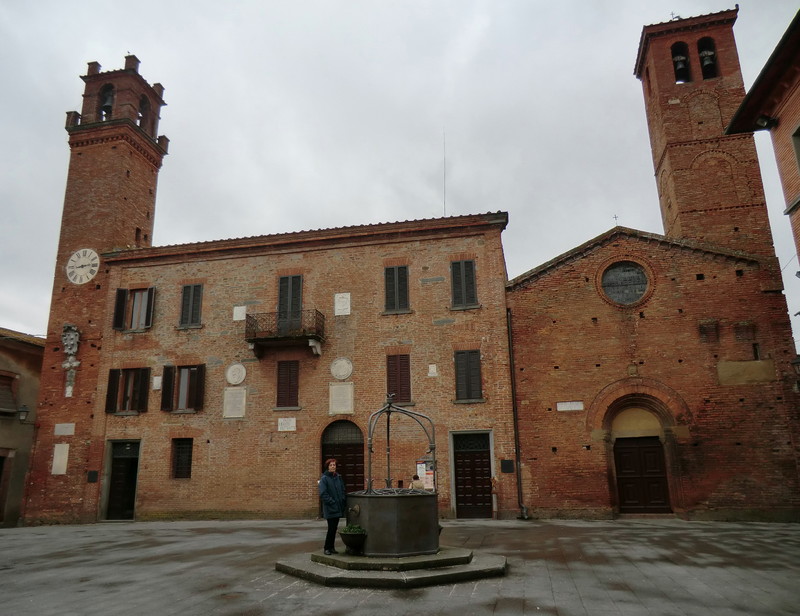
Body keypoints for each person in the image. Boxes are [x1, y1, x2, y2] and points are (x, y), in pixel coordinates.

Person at [318, 458, 346, 555]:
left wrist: (342, 500)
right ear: (327, 467)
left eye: (334, 465)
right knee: (331, 529)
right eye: (331, 465)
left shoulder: (338, 477)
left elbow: (342, 489)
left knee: (334, 529)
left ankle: (332, 547)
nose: (333, 466)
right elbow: (323, 494)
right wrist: (332, 502)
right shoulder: (324, 479)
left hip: (338, 508)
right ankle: (327, 548)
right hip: (330, 508)